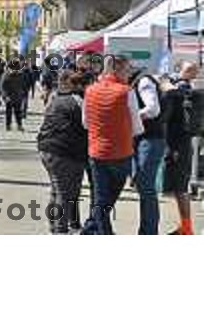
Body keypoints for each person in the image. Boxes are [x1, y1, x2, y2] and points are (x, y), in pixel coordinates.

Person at [82, 55, 143, 235]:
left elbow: (85, 122)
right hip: (120, 152)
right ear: (117, 70)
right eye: (127, 70)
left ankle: (93, 229)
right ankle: (103, 233)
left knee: (101, 198)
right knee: (108, 199)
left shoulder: (90, 90)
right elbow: (137, 127)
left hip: (96, 151)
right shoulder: (127, 91)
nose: (129, 74)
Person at [37, 70, 87, 234]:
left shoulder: (57, 99)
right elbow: (87, 125)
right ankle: (60, 229)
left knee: (56, 190)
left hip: (47, 148)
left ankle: (55, 226)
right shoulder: (78, 101)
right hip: (64, 151)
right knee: (65, 193)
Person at [163, 61, 199, 235]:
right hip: (182, 143)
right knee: (179, 188)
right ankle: (185, 226)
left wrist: (166, 85)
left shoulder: (181, 89)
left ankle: (187, 228)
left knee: (180, 188)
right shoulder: (187, 89)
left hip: (178, 143)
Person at [130, 70, 166, 235]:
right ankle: (147, 230)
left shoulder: (143, 82)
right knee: (143, 185)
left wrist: (130, 117)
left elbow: (153, 109)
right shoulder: (140, 82)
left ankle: (149, 232)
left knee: (146, 186)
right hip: (144, 139)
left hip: (150, 139)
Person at [0, 59, 27, 131]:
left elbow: (23, 84)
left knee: (18, 112)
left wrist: (23, 92)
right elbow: (2, 87)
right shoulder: (6, 75)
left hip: (18, 96)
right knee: (8, 112)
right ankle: (8, 125)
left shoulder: (20, 75)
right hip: (9, 97)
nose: (16, 70)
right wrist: (5, 96)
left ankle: (19, 125)